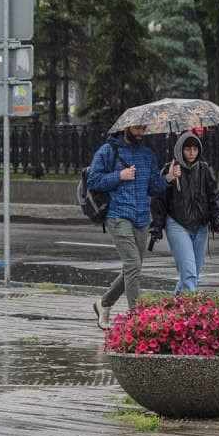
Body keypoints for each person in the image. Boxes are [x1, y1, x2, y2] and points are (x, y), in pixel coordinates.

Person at [88, 125, 181, 329]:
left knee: (133, 268)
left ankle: (104, 304)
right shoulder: (108, 151)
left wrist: (168, 178)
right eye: (137, 129)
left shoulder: (147, 155)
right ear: (126, 128)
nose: (141, 133)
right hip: (118, 216)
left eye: (143, 129)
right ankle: (137, 320)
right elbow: (93, 180)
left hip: (141, 218)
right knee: (132, 266)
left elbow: (153, 187)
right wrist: (118, 176)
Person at [151, 132, 219, 293]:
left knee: (194, 271)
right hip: (177, 224)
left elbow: (215, 195)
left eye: (195, 149)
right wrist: (156, 228)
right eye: (187, 149)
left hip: (200, 226)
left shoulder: (204, 169)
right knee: (189, 273)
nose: (191, 153)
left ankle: (173, 309)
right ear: (180, 150)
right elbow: (159, 200)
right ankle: (191, 311)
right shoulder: (170, 169)